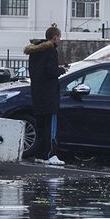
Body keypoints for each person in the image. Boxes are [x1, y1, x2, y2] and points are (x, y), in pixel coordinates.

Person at [23, 24, 64, 165]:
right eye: (59, 37)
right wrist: (61, 70)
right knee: (50, 127)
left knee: (41, 126)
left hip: (38, 94)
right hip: (49, 95)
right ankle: (50, 155)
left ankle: (40, 155)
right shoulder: (51, 51)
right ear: (54, 37)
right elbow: (51, 72)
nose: (60, 40)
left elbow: (38, 72)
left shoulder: (34, 52)